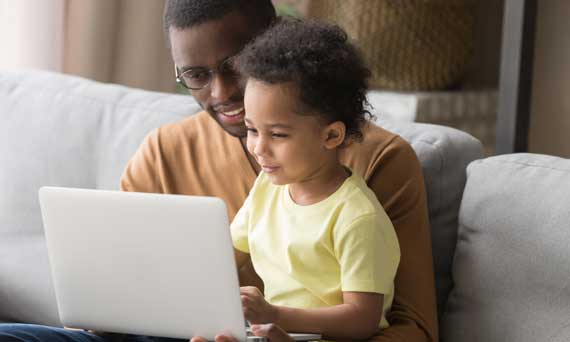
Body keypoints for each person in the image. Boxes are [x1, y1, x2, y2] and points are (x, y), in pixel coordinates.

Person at [0, 1, 437, 341]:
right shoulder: (163, 153)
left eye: (235, 66)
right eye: (194, 74)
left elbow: (412, 330)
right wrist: (107, 311)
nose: (222, 92)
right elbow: (128, 291)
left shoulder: (379, 162)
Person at [227, 18, 400, 341]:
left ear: (332, 135)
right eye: (251, 130)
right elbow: (223, 257)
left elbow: (363, 318)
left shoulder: (356, 217)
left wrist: (276, 315)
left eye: (277, 134)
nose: (258, 148)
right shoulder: (266, 189)